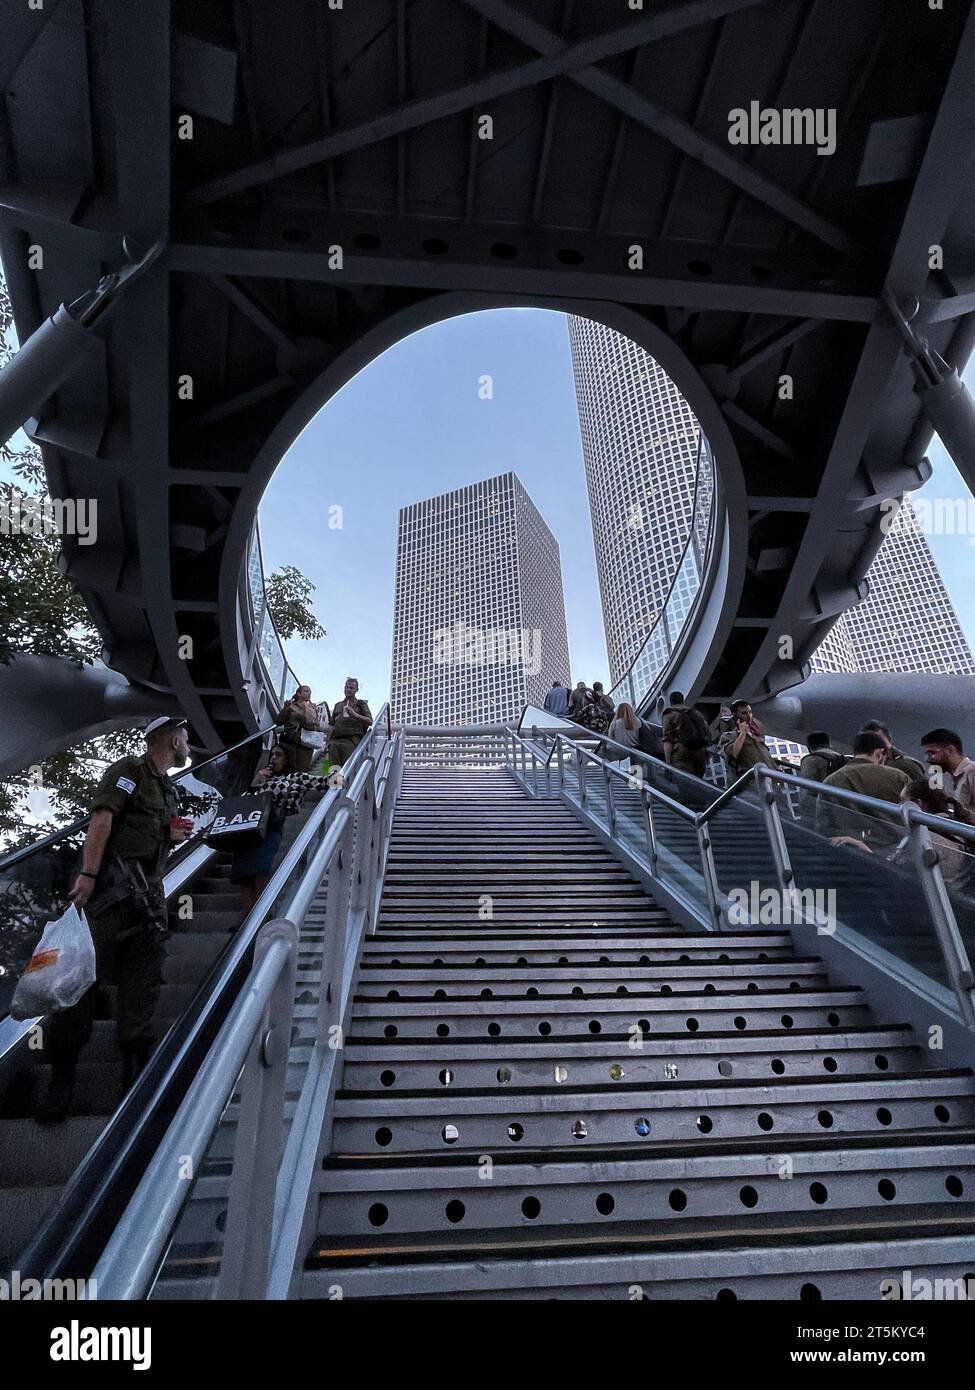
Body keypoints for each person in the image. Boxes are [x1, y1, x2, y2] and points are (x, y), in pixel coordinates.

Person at [36, 716, 194, 1123]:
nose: (188, 744)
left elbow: (149, 836)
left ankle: (133, 1076)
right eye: (185, 737)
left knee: (142, 984)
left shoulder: (168, 789)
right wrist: (87, 875)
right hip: (110, 892)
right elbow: (102, 819)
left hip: (149, 896)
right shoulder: (129, 771)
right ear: (172, 739)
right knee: (81, 982)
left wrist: (171, 837)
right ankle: (62, 1077)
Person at [230, 743, 319, 911]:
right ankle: (245, 923)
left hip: (269, 830)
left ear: (287, 759)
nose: (273, 759)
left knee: (260, 872)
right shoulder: (262, 777)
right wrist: (254, 784)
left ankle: (260, 918)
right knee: (244, 876)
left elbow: (320, 782)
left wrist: (336, 773)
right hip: (247, 831)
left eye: (278, 755)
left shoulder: (293, 778)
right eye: (272, 755)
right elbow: (245, 802)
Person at [816, 731, 910, 842]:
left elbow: (823, 823)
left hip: (849, 848)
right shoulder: (898, 776)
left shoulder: (830, 781)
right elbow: (913, 811)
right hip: (892, 847)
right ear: (879, 753)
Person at [920, 728, 975, 813]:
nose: (928, 759)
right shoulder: (957, 778)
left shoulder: (972, 772)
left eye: (932, 753)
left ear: (950, 750)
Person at [798, 731, 847, 822]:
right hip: (841, 811)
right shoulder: (843, 759)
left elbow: (806, 789)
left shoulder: (811, 760)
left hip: (819, 813)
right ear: (829, 744)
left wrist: (805, 814)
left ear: (809, 746)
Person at [718, 700, 772, 780]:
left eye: (750, 712)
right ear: (736, 715)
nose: (749, 716)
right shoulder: (729, 736)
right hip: (750, 782)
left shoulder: (755, 733)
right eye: (744, 713)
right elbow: (732, 753)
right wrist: (743, 733)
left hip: (770, 779)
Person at [662, 690, 711, 777]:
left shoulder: (670, 714)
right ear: (683, 700)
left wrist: (668, 762)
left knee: (684, 781)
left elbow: (667, 739)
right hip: (699, 751)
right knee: (699, 782)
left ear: (670, 702)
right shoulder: (696, 713)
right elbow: (707, 733)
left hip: (681, 750)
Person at [278, 684, 324, 773]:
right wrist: (285, 708)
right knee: (285, 768)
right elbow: (278, 721)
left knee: (301, 770)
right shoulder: (291, 706)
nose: (309, 694)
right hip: (289, 740)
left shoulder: (311, 708)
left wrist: (305, 712)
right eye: (306, 691)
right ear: (298, 693)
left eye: (310, 692)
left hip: (304, 744)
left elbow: (314, 726)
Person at [328, 677, 373, 768]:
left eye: (351, 688)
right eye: (347, 687)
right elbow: (331, 725)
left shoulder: (360, 704)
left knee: (348, 770)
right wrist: (327, 742)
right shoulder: (338, 705)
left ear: (356, 690)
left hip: (351, 741)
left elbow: (370, 721)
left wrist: (354, 714)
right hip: (335, 742)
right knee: (333, 771)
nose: (348, 690)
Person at [860, 720, 926, 780]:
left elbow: (923, 790)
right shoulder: (856, 767)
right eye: (869, 742)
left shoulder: (907, 766)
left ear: (890, 740)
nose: (876, 745)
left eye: (880, 740)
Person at [607, 703, 642, 768]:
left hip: (620, 750)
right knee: (635, 771)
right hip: (635, 751)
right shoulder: (638, 721)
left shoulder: (615, 723)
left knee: (622, 770)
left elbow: (610, 738)